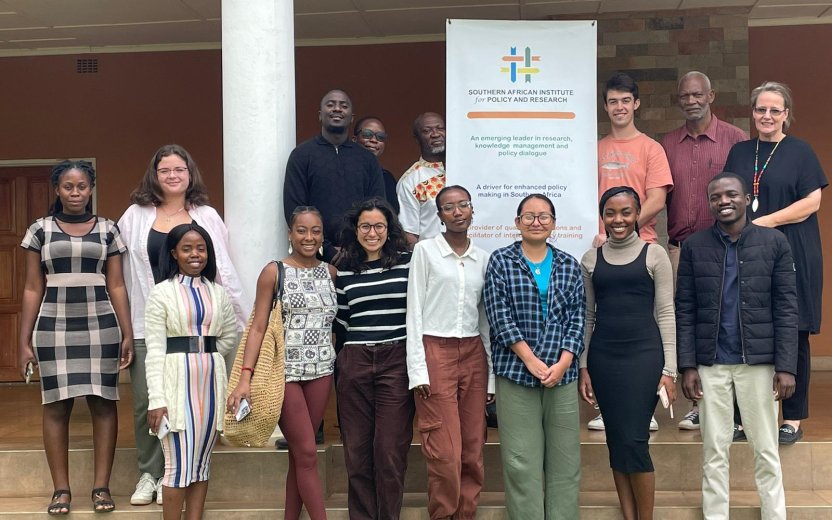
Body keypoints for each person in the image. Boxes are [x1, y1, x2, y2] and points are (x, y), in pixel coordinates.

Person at [119, 144, 249, 506]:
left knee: (190, 403)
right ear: (154, 175)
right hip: (149, 321)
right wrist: (126, 327)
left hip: (196, 325)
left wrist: (235, 319)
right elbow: (123, 270)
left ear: (189, 174)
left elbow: (220, 266)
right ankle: (150, 472)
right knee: (148, 398)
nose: (172, 175)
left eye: (179, 169)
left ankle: (175, 473)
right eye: (165, 170)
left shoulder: (205, 215)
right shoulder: (134, 215)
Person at [676, 172, 797, 519]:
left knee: (766, 448)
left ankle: (775, 514)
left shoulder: (773, 243)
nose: (723, 201)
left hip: (758, 363)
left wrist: (786, 366)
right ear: (710, 203)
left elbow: (787, 307)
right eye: (716, 197)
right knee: (714, 448)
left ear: (746, 199)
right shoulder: (696, 247)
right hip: (711, 363)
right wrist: (688, 365)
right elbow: (685, 307)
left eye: (731, 194)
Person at [18, 160, 133, 514]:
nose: (75, 192)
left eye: (81, 186)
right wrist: (24, 340)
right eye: (68, 186)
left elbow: (115, 283)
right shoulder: (40, 230)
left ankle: (101, 487)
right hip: (54, 324)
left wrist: (127, 332)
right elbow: (32, 287)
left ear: (91, 188)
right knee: (56, 405)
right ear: (57, 190)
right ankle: (61, 491)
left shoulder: (109, 229)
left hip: (101, 323)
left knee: (103, 402)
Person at [724, 81, 827, 445]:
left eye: (774, 110)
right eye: (760, 110)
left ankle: (793, 418)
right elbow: (727, 196)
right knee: (743, 328)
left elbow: (811, 203)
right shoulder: (739, 152)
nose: (766, 116)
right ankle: (740, 417)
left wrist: (763, 222)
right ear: (752, 113)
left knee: (793, 330)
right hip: (746, 254)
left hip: (793, 253)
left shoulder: (800, 151)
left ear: (786, 115)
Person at [228, 206, 336, 520]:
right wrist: (245, 378)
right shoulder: (275, 272)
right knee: (306, 452)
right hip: (283, 375)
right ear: (290, 234)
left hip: (321, 372)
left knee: (299, 457)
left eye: (315, 230)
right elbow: (258, 326)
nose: (309, 237)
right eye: (302, 230)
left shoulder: (330, 273)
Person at [484, 194, 585, 519]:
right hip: (515, 373)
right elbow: (498, 315)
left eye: (544, 216)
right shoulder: (501, 261)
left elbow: (578, 317)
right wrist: (529, 359)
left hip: (563, 376)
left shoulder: (569, 264)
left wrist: (565, 361)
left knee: (565, 462)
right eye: (528, 216)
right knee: (520, 462)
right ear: (517, 223)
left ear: (554, 223)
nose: (536, 222)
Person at [579, 186, 677, 520]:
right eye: (611, 213)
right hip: (604, 360)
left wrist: (670, 370)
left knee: (635, 440)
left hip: (644, 360)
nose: (618, 219)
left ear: (638, 215)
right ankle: (629, 515)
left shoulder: (654, 254)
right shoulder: (591, 258)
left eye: (625, 212)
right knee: (616, 442)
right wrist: (583, 367)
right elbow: (588, 316)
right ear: (603, 216)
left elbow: (666, 313)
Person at [660, 71, 747, 431]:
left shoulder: (735, 140)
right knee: (688, 323)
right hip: (681, 250)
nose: (692, 101)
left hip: (724, 248)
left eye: (698, 95)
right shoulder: (666, 143)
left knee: (726, 322)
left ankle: (732, 405)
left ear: (711, 96)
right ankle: (699, 402)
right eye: (685, 96)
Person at [590, 72, 673, 432]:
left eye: (626, 100)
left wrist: (625, 227)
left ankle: (646, 404)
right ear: (605, 106)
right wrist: (602, 233)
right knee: (605, 321)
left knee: (648, 325)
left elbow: (657, 197)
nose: (619, 107)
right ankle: (606, 406)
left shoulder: (651, 148)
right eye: (613, 101)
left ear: (636, 104)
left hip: (645, 248)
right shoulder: (594, 148)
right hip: (600, 249)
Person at [406, 185, 494, 520]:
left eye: (463, 205)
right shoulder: (426, 252)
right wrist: (417, 369)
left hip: (473, 353)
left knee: (472, 449)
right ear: (439, 215)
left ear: (472, 210)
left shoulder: (483, 258)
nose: (457, 212)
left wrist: (490, 381)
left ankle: (466, 514)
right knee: (444, 452)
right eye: (448, 207)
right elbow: (414, 312)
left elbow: (484, 318)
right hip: (434, 351)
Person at [145, 223, 238, 520]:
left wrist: (204, 357)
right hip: (175, 388)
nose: (195, 254)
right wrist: (156, 399)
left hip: (210, 386)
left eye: (201, 248)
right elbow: (156, 351)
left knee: (200, 464)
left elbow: (228, 337)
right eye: (187, 249)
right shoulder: (161, 293)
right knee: (176, 466)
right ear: (174, 253)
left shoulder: (218, 293)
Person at [333, 198, 414, 519]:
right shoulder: (343, 270)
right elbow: (341, 324)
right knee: (357, 453)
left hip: (397, 359)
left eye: (379, 225)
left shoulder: (408, 263)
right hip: (354, 360)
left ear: (389, 229)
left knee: (390, 450)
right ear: (355, 230)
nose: (372, 232)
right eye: (365, 226)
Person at [283, 89, 386, 262]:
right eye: (330, 105)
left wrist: (358, 246)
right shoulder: (301, 155)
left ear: (351, 117)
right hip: (314, 255)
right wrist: (326, 248)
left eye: (343, 106)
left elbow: (378, 205)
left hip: (362, 253)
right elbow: (295, 209)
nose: (337, 109)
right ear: (320, 115)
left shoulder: (367, 159)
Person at [397, 112, 446, 248]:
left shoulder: (467, 167)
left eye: (440, 128)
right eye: (427, 131)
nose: (435, 134)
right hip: (434, 261)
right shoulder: (411, 181)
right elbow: (410, 235)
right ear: (417, 139)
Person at [353, 117, 400, 213]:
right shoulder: (342, 172)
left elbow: (393, 214)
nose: (374, 140)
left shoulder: (387, 177)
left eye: (381, 137)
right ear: (354, 140)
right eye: (367, 134)